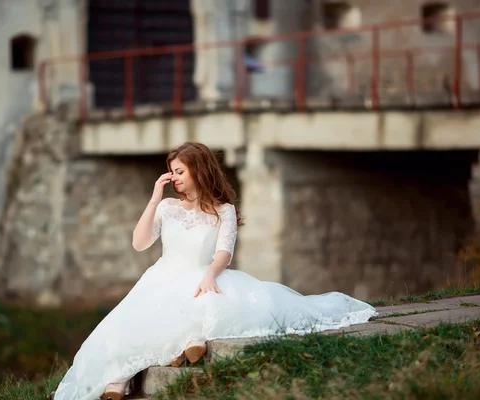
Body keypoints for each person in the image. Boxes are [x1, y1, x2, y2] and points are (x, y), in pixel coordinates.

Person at [54, 142, 377, 400]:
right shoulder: (167, 207)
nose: (175, 177)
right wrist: (154, 198)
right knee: (128, 324)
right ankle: (118, 380)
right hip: (162, 275)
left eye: (180, 171)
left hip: (202, 271)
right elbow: (140, 243)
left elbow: (225, 251)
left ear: (198, 169)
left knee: (205, 299)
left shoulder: (224, 210)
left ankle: (188, 344)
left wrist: (209, 274)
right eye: (171, 172)